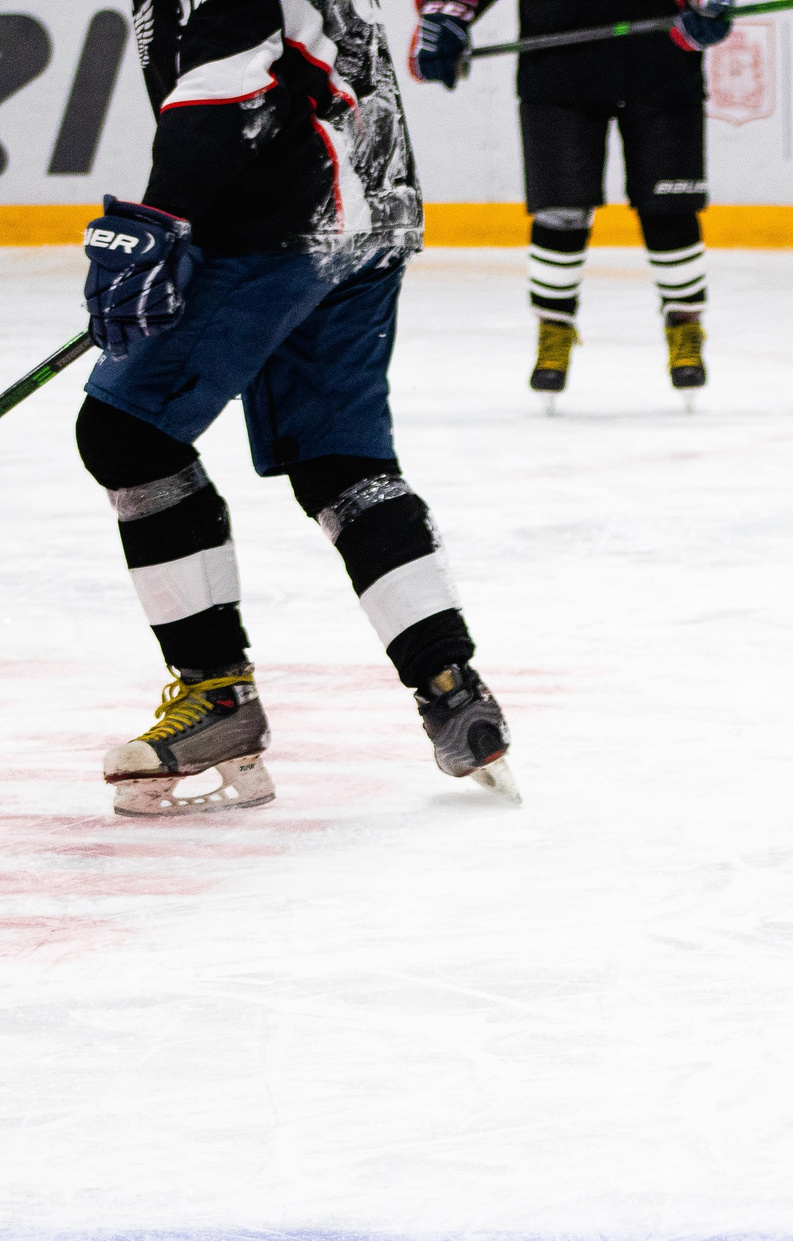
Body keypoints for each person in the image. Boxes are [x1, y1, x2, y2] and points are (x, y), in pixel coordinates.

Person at [76, 0, 515, 816]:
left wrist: (160, 216)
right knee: (339, 460)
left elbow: (226, 80)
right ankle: (450, 686)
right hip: (369, 206)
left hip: (292, 211)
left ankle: (217, 701)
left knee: (128, 434)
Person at [409, 0, 734, 395]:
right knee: (560, 211)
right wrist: (445, 14)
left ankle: (685, 327)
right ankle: (554, 327)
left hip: (661, 61)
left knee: (670, 209)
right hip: (557, 68)